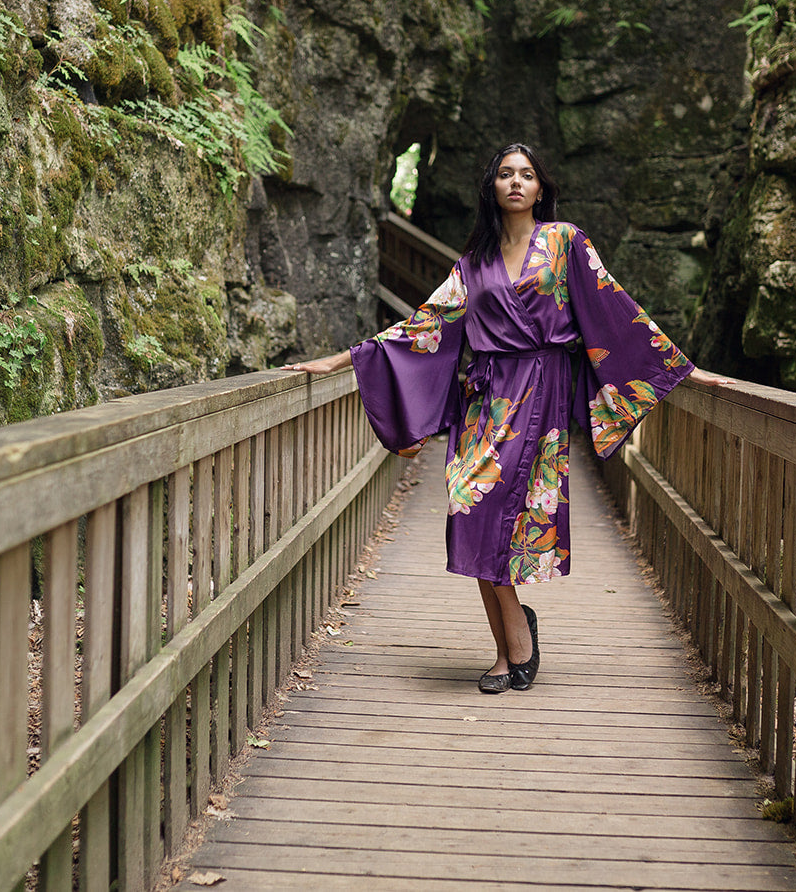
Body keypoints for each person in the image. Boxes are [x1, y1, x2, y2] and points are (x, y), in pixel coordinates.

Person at [284, 143, 733, 694]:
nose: (516, 183)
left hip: (540, 395)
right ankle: (515, 634)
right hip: (486, 398)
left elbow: (617, 310)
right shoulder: (473, 261)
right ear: (491, 187)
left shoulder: (565, 241)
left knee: (495, 511)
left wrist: (687, 370)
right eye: (505, 174)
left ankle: (509, 651)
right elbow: (426, 325)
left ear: (541, 188)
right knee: (468, 503)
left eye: (526, 175)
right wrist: (342, 358)